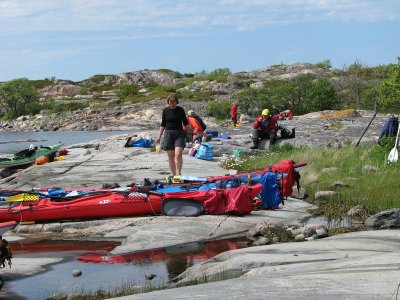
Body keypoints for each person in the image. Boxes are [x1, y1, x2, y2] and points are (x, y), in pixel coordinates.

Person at [155, 93, 190, 176]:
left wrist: (189, 133)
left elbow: (185, 123)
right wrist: (159, 137)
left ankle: (179, 173)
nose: (171, 104)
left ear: (176, 102)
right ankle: (174, 176)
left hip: (179, 134)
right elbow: (163, 124)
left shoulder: (180, 110)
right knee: (171, 157)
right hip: (168, 134)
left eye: (173, 102)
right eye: (170, 102)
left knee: (178, 154)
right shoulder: (165, 111)